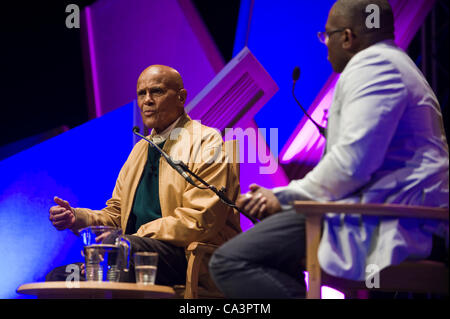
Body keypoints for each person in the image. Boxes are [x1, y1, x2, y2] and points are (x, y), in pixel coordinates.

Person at [208, 0, 449, 298]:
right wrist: (280, 201)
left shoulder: (376, 67)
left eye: (326, 36)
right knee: (270, 254)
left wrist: (281, 198)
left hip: (392, 224)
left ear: (347, 37)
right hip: (376, 213)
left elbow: (351, 165)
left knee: (230, 261)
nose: (325, 46)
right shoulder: (391, 63)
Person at [47, 65, 242, 288]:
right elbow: (116, 214)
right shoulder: (139, 151)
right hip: (130, 252)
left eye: (156, 92)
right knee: (60, 279)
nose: (147, 100)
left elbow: (200, 219)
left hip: (186, 256)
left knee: (123, 255)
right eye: (142, 93)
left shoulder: (207, 142)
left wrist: (130, 240)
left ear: (181, 97)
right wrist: (77, 217)